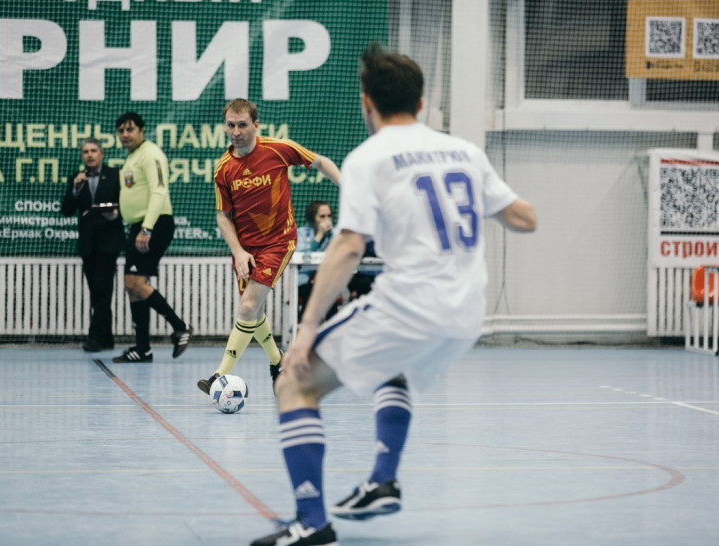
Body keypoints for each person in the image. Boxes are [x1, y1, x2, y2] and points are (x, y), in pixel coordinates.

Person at [249, 43, 536, 546]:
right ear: (421, 103)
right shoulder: (466, 152)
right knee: (393, 367)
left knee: (293, 384)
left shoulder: (369, 157)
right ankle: (382, 480)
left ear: (367, 103)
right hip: (466, 315)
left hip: (410, 307)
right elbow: (524, 218)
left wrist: (307, 328)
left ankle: (311, 521)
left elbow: (348, 247)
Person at [196, 99, 340, 395]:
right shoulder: (223, 168)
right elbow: (222, 216)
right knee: (255, 311)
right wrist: (238, 251)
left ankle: (219, 375)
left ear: (256, 125)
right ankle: (278, 362)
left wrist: (347, 186)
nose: (236, 132)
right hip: (245, 249)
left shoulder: (278, 149)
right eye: (230, 125)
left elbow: (320, 162)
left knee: (248, 307)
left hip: (278, 241)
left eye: (242, 125)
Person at [112, 112, 192, 363]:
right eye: (121, 131)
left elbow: (159, 191)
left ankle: (180, 327)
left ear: (141, 131)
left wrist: (146, 229)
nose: (125, 135)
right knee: (132, 286)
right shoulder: (132, 157)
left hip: (154, 225)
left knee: (136, 283)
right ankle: (143, 349)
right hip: (139, 226)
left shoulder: (151, 154)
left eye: (130, 129)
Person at [61, 137, 125, 353]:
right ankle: (106, 337)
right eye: (85, 152)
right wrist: (75, 189)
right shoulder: (77, 178)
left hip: (109, 241)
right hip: (88, 244)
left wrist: (116, 213)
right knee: (97, 290)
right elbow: (67, 210)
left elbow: (125, 204)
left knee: (102, 289)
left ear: (101, 153)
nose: (89, 155)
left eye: (93, 151)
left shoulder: (115, 175)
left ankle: (96, 337)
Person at [297, 200, 337, 321]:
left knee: (329, 292)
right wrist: (319, 235)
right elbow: (304, 257)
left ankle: (332, 327)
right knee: (314, 290)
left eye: (329, 216)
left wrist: (331, 237)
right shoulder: (301, 233)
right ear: (312, 218)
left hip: (322, 280)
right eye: (322, 216)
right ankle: (303, 324)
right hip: (301, 281)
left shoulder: (334, 235)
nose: (327, 220)